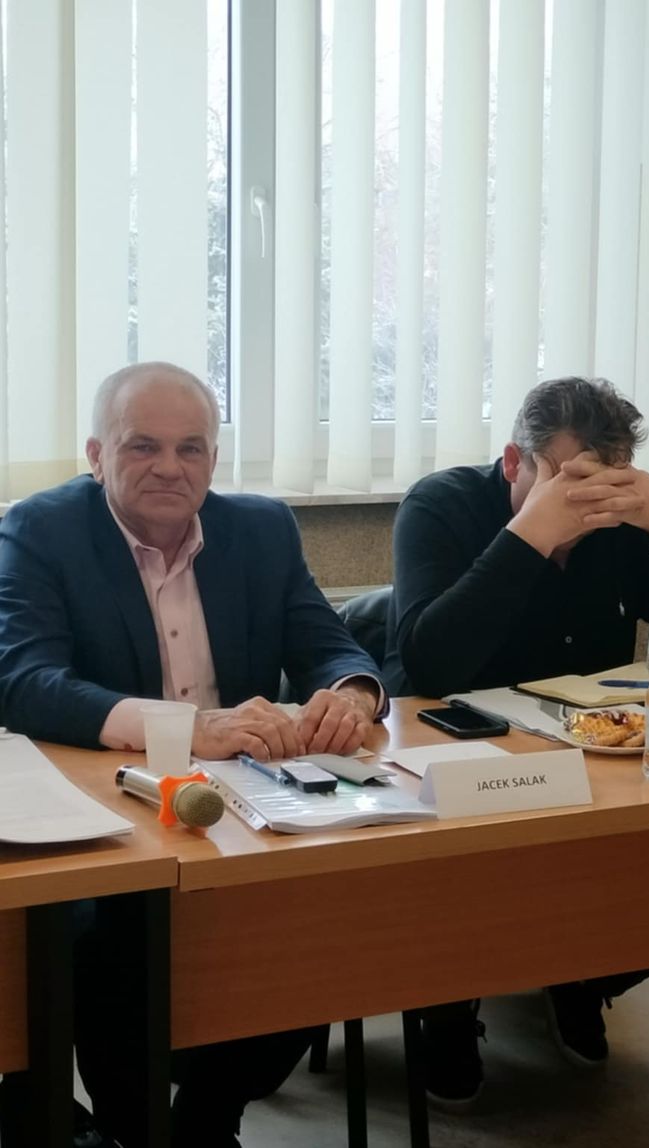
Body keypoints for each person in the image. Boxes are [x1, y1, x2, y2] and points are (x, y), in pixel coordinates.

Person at [0, 362, 386, 1148]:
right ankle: (134, 1129)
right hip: (107, 808)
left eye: (191, 448)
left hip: (246, 804)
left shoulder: (262, 529)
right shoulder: (41, 530)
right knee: (117, 937)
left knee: (330, 909)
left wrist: (350, 696)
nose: (169, 468)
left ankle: (210, 1116)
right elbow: (24, 681)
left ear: (214, 458)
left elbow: (329, 644)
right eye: (142, 446)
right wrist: (183, 725)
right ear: (96, 455)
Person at [385, 375, 649, 1102]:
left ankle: (579, 972)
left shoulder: (619, 523)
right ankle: (447, 1004)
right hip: (457, 763)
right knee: (461, 877)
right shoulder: (440, 505)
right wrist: (530, 534)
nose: (591, 505)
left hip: (593, 759)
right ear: (514, 462)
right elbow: (427, 666)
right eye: (571, 482)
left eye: (609, 482)